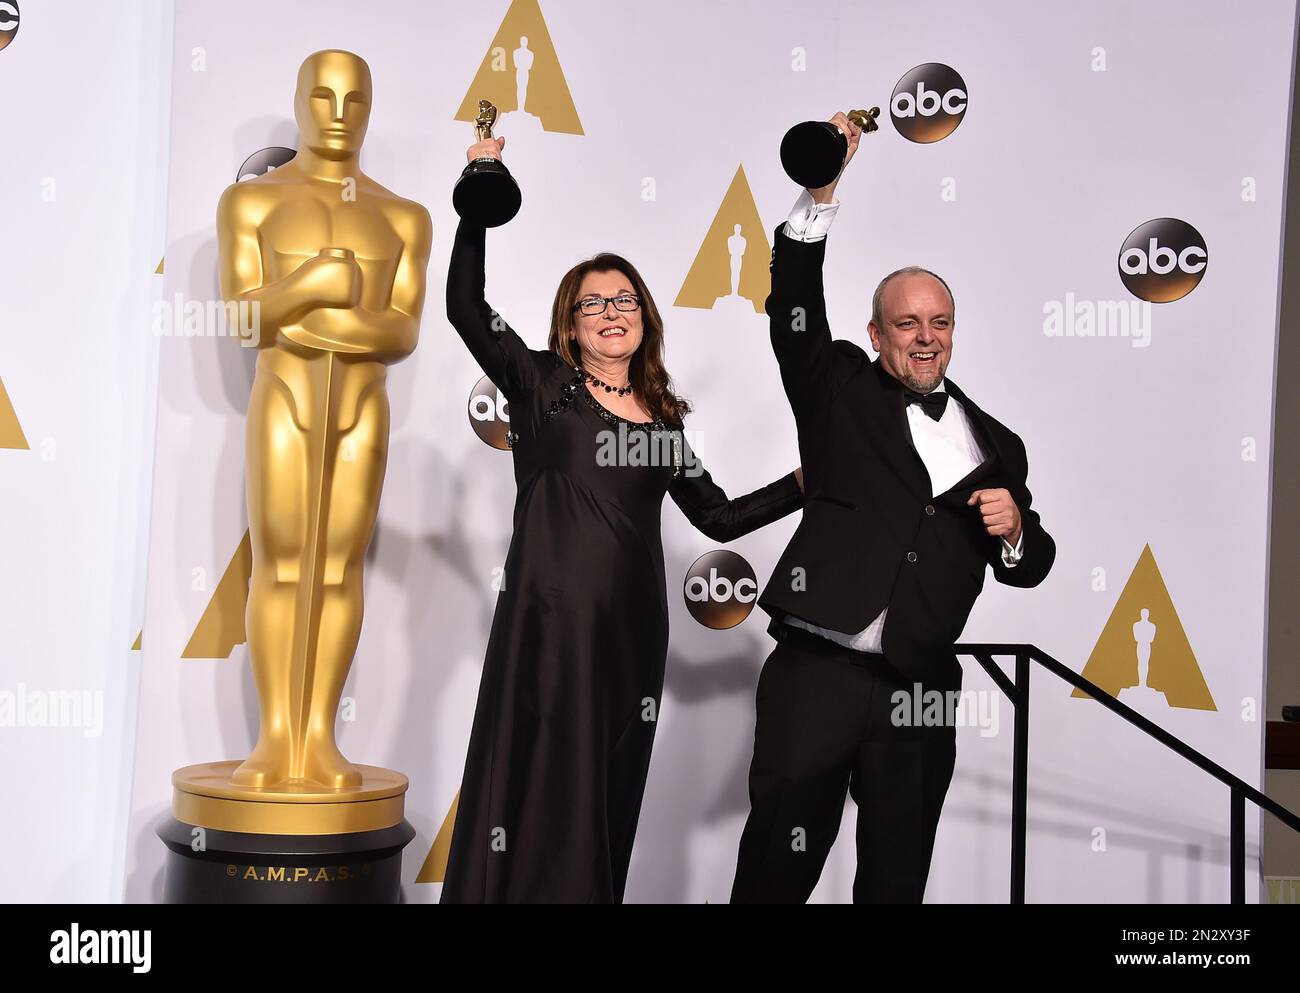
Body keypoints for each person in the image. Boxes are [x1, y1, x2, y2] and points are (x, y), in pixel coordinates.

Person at [442, 133, 805, 903]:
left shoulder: (666, 422)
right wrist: (477, 196)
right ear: (570, 325)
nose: (612, 313)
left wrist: (804, 481)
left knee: (605, 792)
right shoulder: (542, 386)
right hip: (548, 622)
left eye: (626, 300)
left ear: (645, 318)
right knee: (540, 785)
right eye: (594, 304)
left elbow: (720, 517)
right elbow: (465, 307)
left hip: (632, 638)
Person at [731, 112, 1056, 903]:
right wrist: (819, 196)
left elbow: (1033, 560)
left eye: (939, 322)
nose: (925, 337)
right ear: (876, 334)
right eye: (907, 323)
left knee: (896, 879)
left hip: (918, 688)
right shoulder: (837, 385)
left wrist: (1017, 535)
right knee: (777, 867)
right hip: (818, 671)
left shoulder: (1000, 444)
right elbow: (794, 309)